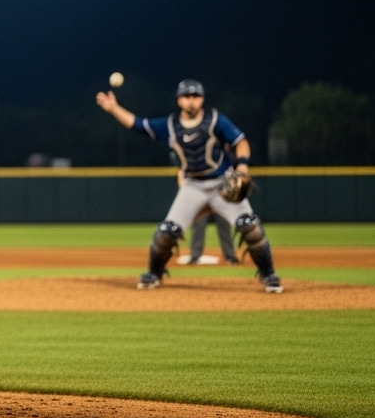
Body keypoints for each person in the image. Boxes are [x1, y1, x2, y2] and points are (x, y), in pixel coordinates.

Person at [97, 79, 282, 292]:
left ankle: (269, 275)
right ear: (179, 100)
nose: (191, 101)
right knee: (166, 232)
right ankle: (153, 274)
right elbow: (138, 124)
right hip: (193, 186)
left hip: (222, 184)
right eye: (187, 97)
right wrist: (113, 108)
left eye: (196, 96)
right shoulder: (169, 125)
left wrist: (242, 167)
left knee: (250, 226)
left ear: (202, 99)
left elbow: (241, 142)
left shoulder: (215, 120)